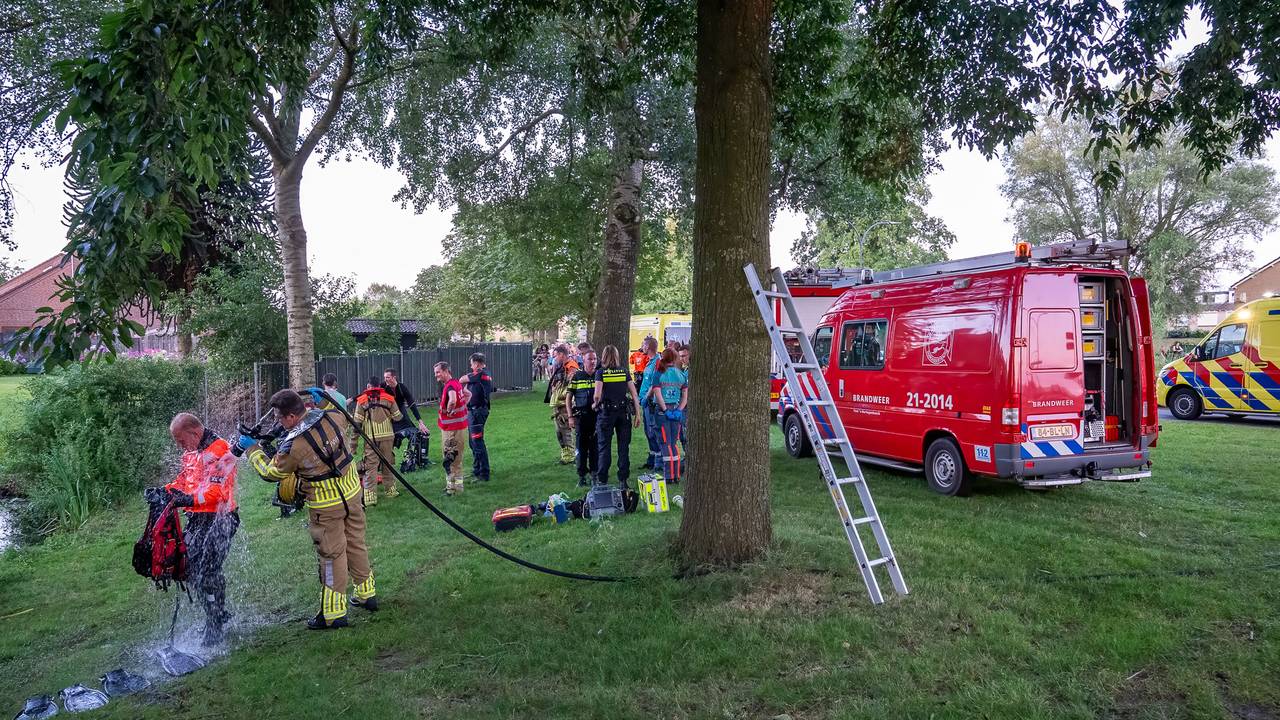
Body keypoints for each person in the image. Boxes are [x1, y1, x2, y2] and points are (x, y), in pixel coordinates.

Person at [241, 390, 375, 630]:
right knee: (356, 542)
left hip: (326, 505)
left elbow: (271, 473)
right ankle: (367, 593)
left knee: (332, 555)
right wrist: (322, 397)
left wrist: (252, 450)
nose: (279, 424)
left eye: (280, 419)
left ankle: (333, 614)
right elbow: (334, 406)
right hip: (353, 492)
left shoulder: (293, 447)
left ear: (291, 417)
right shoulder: (333, 416)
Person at [166, 413, 239, 646]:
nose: (180, 446)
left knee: (208, 570)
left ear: (194, 433)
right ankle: (216, 612)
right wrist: (165, 491)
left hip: (221, 518)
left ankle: (215, 622)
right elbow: (184, 481)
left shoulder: (220, 451)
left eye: (180, 440)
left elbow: (216, 493)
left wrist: (185, 499)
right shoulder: (191, 452)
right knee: (188, 568)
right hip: (197, 520)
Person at [592, 345, 642, 489]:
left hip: (606, 414)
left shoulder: (601, 373)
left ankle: (602, 480)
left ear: (604, 356)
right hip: (623, 413)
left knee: (604, 447)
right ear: (617, 356)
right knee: (623, 448)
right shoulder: (624, 372)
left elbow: (597, 395)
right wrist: (637, 414)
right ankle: (623, 480)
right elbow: (634, 394)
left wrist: (595, 405)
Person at [353, 376, 403, 505]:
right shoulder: (389, 398)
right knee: (388, 465)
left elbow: (357, 425)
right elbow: (398, 417)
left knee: (370, 467)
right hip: (387, 437)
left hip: (370, 440)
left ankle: (370, 498)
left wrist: (353, 446)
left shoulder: (361, 400)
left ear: (369, 386)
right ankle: (391, 491)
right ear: (380, 386)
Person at [648, 348, 688, 483]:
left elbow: (657, 393)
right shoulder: (680, 374)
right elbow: (685, 396)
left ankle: (669, 476)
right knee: (673, 443)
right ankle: (676, 475)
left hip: (662, 411)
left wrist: (665, 410)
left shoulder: (659, 373)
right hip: (676, 411)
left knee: (665, 443)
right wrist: (679, 410)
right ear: (675, 358)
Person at [435, 361, 470, 496]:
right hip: (459, 428)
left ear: (445, 371)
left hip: (451, 430)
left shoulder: (449, 386)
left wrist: (450, 410)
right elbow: (467, 395)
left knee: (449, 459)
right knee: (457, 459)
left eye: (438, 372)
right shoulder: (456, 383)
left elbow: (453, 400)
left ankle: (451, 489)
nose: (436, 375)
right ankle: (458, 488)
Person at [565, 349, 599, 487]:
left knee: (595, 447)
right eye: (590, 359)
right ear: (583, 361)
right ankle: (581, 476)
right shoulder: (577, 376)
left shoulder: (599, 375)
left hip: (597, 417)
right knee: (581, 448)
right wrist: (570, 417)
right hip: (581, 417)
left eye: (595, 359)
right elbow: (568, 398)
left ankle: (595, 474)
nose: (593, 361)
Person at [461, 352, 494, 482]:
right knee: (472, 442)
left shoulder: (482, 374)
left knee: (477, 442)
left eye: (472, 364)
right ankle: (476, 470)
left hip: (478, 412)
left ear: (477, 363)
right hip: (472, 412)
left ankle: (484, 473)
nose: (471, 367)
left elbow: (462, 379)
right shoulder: (477, 376)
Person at [545, 344, 579, 465]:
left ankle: (570, 456)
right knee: (559, 431)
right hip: (558, 403)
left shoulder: (571, 367)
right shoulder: (562, 366)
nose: (554, 358)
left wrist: (564, 399)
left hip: (564, 404)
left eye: (556, 355)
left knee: (565, 431)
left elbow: (572, 386)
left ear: (561, 355)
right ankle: (566, 455)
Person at [382, 368, 429, 446]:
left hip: (402, 414)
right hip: (389, 415)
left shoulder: (402, 388)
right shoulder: (383, 386)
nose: (385, 379)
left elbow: (412, 404)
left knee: (415, 436)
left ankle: (417, 456)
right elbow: (371, 392)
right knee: (389, 440)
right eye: (385, 377)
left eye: (388, 377)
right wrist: (355, 398)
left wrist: (420, 422)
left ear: (394, 377)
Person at [635, 336, 661, 469]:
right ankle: (651, 459)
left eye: (643, 345)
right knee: (647, 431)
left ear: (648, 347)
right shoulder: (649, 361)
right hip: (645, 401)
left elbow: (654, 383)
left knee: (653, 431)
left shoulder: (657, 362)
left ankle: (658, 461)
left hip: (651, 402)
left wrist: (647, 397)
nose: (642, 347)